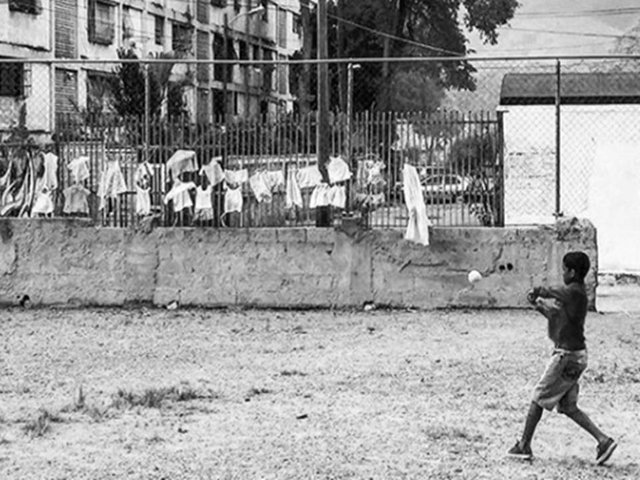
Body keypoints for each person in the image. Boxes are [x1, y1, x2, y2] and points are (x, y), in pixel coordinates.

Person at [507, 251, 617, 465]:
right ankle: (603, 440)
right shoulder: (573, 295)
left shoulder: (574, 292)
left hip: (566, 356)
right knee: (568, 407)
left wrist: (540, 290)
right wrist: (538, 305)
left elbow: (556, 292)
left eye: (565, 270)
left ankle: (523, 445)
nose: (563, 273)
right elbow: (556, 317)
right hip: (575, 356)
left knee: (538, 396)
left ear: (572, 272)